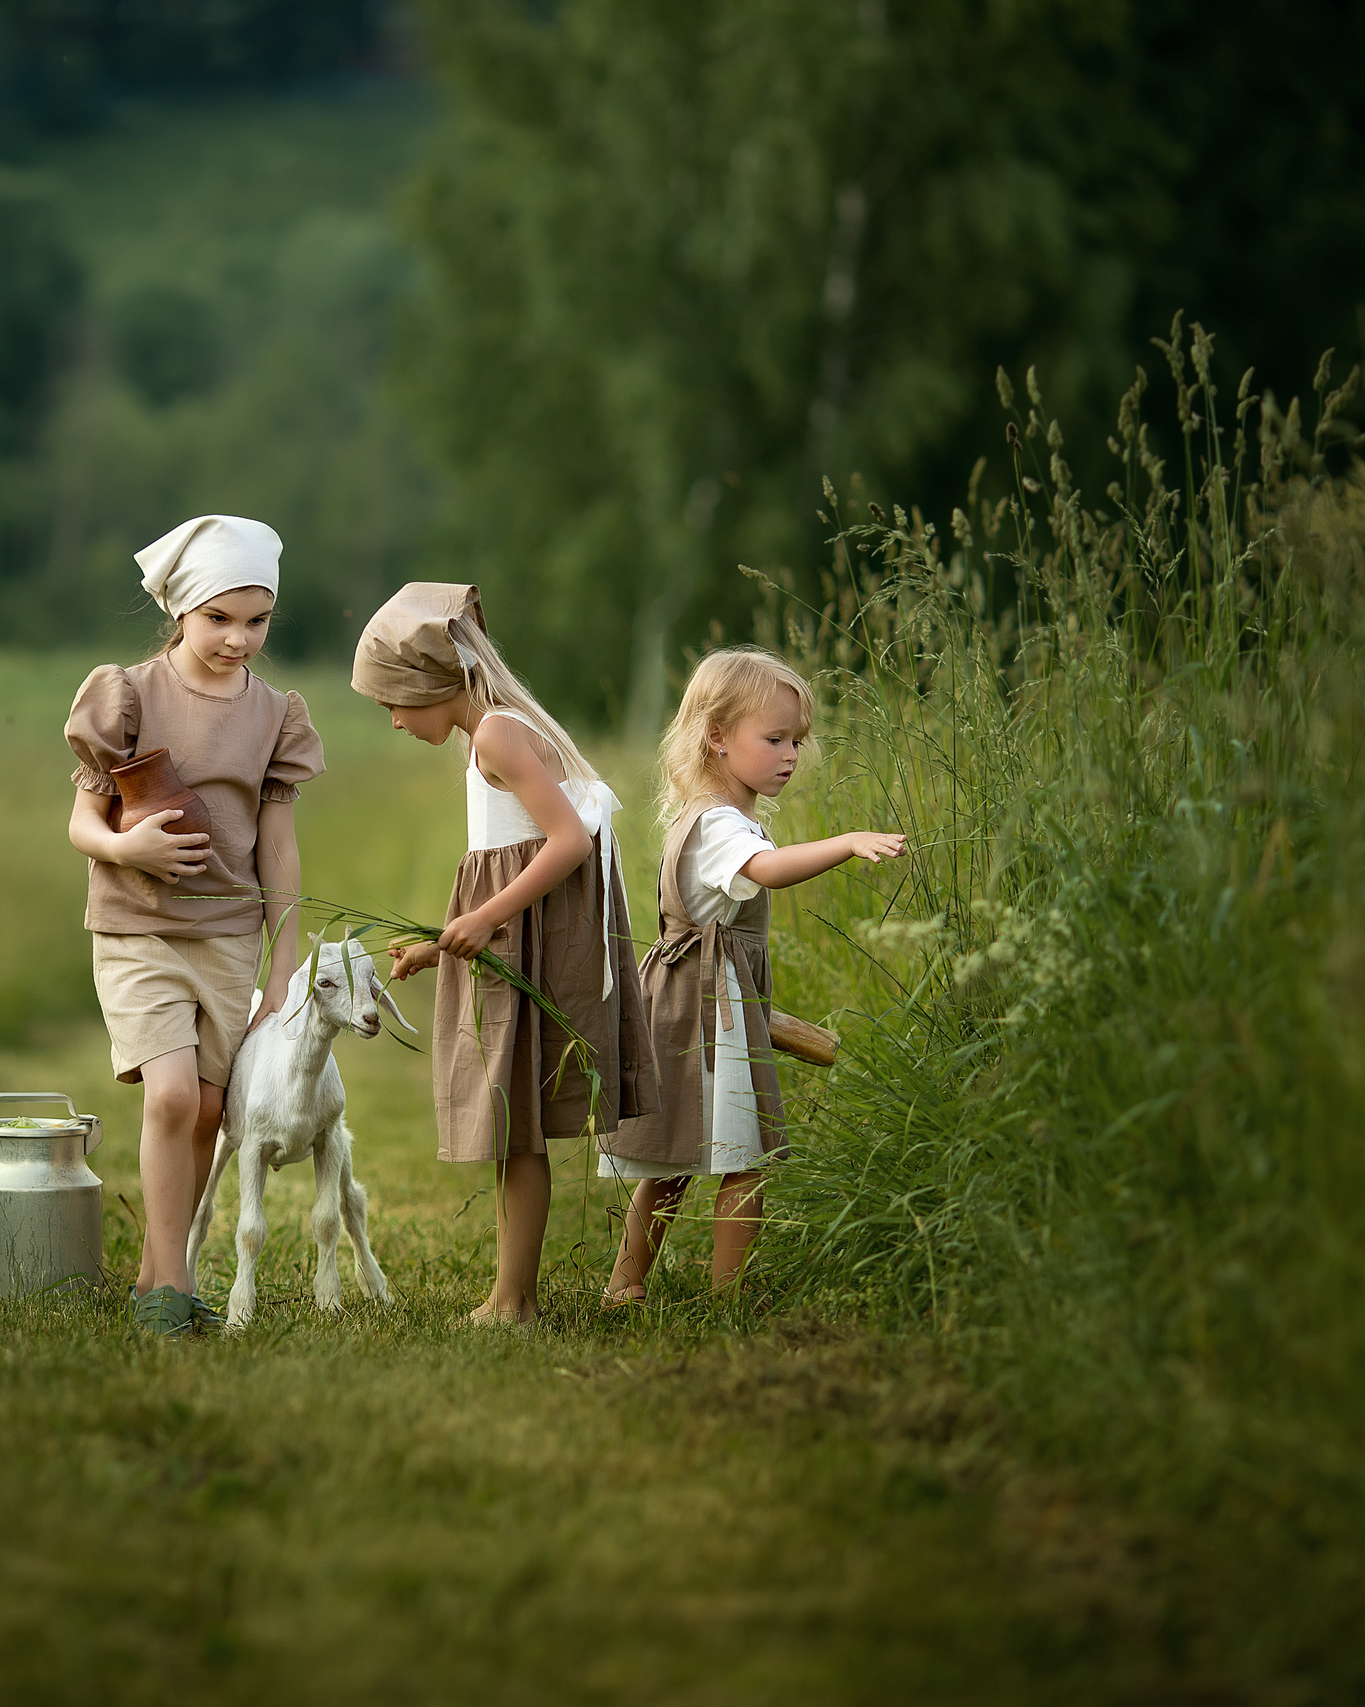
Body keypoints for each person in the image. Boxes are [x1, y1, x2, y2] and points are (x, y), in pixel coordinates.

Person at [351, 583, 652, 1326]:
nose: (392, 719)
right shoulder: (484, 738)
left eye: (394, 701)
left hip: (536, 943)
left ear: (432, 684)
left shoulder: (496, 735)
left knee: (513, 1124)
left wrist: (482, 918)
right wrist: (440, 945)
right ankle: (506, 1291)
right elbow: (506, 860)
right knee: (506, 1120)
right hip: (523, 937)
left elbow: (568, 841)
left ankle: (514, 1299)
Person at [65, 516, 323, 1337]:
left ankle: (155, 1268)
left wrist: (282, 965)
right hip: (137, 927)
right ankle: (169, 1290)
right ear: (180, 609)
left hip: (229, 938)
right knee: (172, 1096)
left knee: (211, 1113)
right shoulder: (130, 694)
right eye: (219, 618)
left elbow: (277, 848)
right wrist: (122, 843)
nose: (239, 638)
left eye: (257, 620)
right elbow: (82, 821)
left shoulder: (276, 713)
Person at [598, 645, 906, 1303]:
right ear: (716, 737)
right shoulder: (718, 826)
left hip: (698, 1003)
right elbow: (766, 870)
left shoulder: (718, 816)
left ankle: (628, 1284)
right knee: (743, 1159)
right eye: (774, 738)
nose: (792, 753)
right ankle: (724, 1296)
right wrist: (847, 842)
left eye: (797, 738)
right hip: (709, 1013)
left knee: (676, 1161)